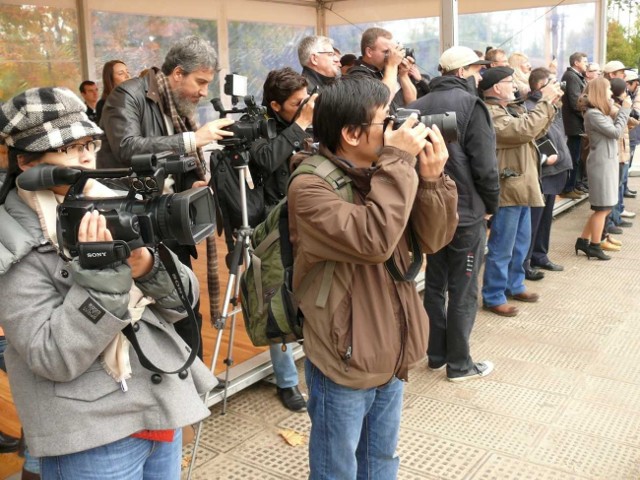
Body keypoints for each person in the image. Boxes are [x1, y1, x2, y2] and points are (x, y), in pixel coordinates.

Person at [0, 86, 217, 478]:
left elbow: (184, 300)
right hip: (91, 434)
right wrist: (104, 280)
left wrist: (146, 265)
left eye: (89, 142)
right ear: (27, 163)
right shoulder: (11, 239)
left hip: (157, 404)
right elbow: (51, 355)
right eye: (68, 147)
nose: (85, 155)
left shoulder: (110, 199)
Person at [288, 75, 458, 478]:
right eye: (388, 120)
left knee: (381, 461)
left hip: (391, 348)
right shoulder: (311, 187)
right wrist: (398, 163)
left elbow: (433, 240)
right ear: (350, 133)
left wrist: (431, 180)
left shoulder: (384, 174)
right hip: (344, 356)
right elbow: (374, 241)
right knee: (337, 470)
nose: (399, 128)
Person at [97, 36, 235, 358]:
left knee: (186, 307)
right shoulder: (126, 95)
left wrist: (194, 186)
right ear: (177, 74)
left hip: (168, 218)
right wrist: (193, 139)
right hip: (136, 225)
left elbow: (178, 160)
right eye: (199, 82)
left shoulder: (176, 105)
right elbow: (127, 148)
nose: (203, 92)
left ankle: (193, 387)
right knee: (157, 314)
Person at [409, 46, 498, 382]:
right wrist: (491, 205)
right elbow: (485, 166)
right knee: (463, 288)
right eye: (476, 70)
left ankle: (436, 354)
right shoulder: (471, 104)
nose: (479, 76)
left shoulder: (415, 106)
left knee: (435, 283)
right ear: (461, 72)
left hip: (429, 210)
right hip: (465, 211)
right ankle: (459, 365)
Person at [245, 67, 316, 411]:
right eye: (296, 103)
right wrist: (301, 125)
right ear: (275, 105)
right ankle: (286, 380)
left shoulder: (307, 123)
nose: (304, 107)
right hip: (272, 226)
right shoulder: (257, 126)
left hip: (311, 218)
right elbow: (266, 159)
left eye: (306, 100)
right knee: (277, 298)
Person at [480, 66, 562, 317]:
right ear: (496, 88)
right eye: (509, 81)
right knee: (502, 246)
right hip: (508, 189)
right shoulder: (491, 114)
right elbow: (522, 131)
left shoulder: (507, 108)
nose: (514, 85)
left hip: (522, 185)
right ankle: (493, 296)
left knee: (520, 244)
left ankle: (514, 285)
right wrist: (545, 101)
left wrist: (550, 105)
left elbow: (534, 129)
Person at [523, 68, 573, 279]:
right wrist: (546, 157)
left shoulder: (553, 105)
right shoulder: (529, 106)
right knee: (532, 222)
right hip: (542, 170)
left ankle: (540, 256)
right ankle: (525, 263)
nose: (558, 87)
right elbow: (532, 134)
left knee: (544, 219)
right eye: (552, 83)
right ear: (540, 86)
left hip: (555, 169)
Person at [575, 78, 631, 260]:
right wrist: (624, 109)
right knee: (602, 208)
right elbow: (615, 132)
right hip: (601, 164)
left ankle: (584, 240)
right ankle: (595, 245)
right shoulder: (593, 114)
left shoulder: (598, 111)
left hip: (605, 162)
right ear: (600, 91)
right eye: (607, 90)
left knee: (604, 207)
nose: (610, 93)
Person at [347, 27, 417, 109]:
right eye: (386, 51)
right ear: (369, 52)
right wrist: (392, 66)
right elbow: (382, 102)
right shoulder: (357, 75)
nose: (391, 55)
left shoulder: (387, 70)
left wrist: (403, 74)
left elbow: (412, 102)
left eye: (392, 51)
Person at [560, 52, 588, 199]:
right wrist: (587, 115)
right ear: (576, 63)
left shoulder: (575, 76)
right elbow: (575, 102)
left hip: (577, 123)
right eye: (584, 61)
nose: (587, 64)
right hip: (574, 124)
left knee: (576, 157)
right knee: (573, 157)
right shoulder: (571, 76)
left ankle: (573, 185)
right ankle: (568, 187)